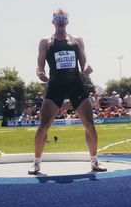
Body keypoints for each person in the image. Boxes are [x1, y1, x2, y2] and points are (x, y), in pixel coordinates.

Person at [30, 9, 106, 174]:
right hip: (56, 85)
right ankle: (36, 162)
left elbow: (84, 62)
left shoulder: (76, 40)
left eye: (63, 18)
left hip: (75, 85)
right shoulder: (46, 41)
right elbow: (39, 64)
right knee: (43, 126)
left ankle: (94, 161)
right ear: (53, 22)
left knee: (89, 124)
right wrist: (40, 74)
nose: (61, 21)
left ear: (67, 21)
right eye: (58, 18)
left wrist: (86, 69)